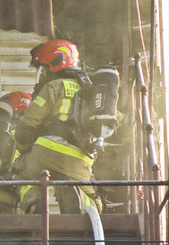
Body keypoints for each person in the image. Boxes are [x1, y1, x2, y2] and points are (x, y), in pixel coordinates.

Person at [8, 39, 103, 214]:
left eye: (43, 70)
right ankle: (79, 198)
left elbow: (27, 125)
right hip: (80, 161)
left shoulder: (53, 87)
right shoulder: (92, 92)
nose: (42, 76)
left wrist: (23, 149)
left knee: (19, 174)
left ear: (56, 64)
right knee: (95, 200)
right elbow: (113, 120)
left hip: (45, 154)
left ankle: (35, 204)